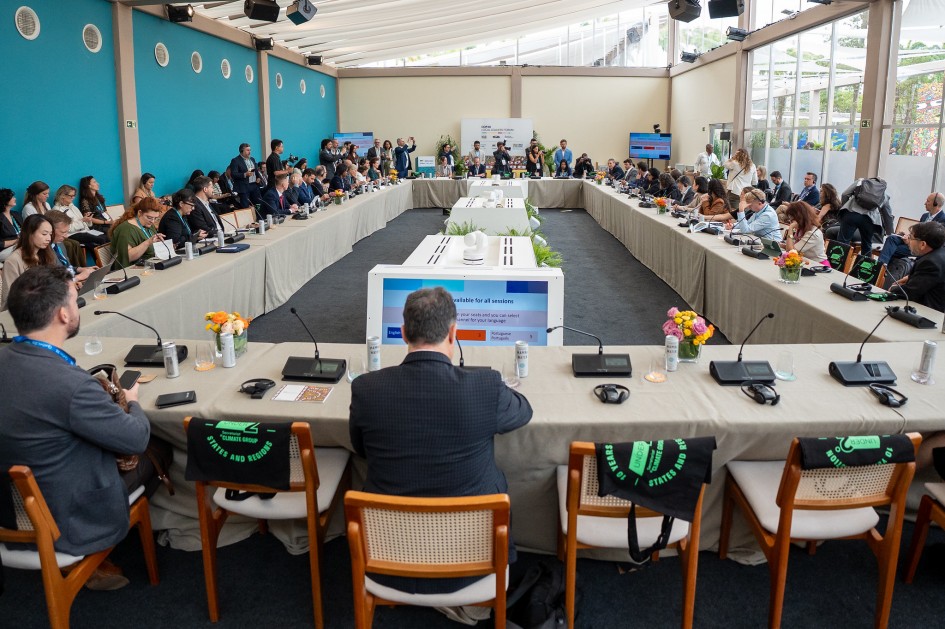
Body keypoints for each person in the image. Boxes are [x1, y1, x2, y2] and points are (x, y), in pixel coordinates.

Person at [349, 286, 532, 601]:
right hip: (474, 563)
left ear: (405, 333)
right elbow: (524, 410)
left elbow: (362, 450)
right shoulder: (485, 387)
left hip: (385, 558)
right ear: (453, 332)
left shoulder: (366, 389)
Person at [0, 265, 150, 589]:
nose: (76, 304)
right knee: (157, 451)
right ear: (63, 315)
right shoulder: (71, 386)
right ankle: (106, 551)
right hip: (64, 517)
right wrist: (133, 401)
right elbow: (136, 438)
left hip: (8, 506)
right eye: (74, 298)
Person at [1, 214, 56, 310]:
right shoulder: (13, 261)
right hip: (24, 313)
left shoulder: (47, 254)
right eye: (44, 234)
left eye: (50, 234)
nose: (48, 238)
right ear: (30, 233)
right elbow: (11, 299)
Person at [877, 192, 945, 267]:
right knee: (892, 238)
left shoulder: (943, 219)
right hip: (912, 241)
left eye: (928, 201)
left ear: (936, 204)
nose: (925, 203)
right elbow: (918, 233)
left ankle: (880, 269)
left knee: (890, 250)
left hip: (921, 247)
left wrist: (910, 242)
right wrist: (908, 236)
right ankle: (881, 268)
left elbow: (933, 242)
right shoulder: (924, 216)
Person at [890, 221, 945, 311]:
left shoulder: (930, 263)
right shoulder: (939, 253)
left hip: (930, 314)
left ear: (922, 244)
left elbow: (910, 292)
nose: (908, 241)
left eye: (911, 237)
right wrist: (911, 277)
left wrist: (893, 288)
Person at [837, 179, 893, 250]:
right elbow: (888, 215)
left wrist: (846, 207)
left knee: (843, 242)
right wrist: (890, 234)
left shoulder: (861, 182)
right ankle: (865, 261)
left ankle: (838, 260)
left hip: (851, 214)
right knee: (867, 244)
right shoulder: (884, 194)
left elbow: (845, 194)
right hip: (869, 220)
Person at [51, 185, 109, 254]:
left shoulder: (73, 207)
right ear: (62, 195)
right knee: (100, 240)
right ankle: (102, 262)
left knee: (107, 238)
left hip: (84, 231)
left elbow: (83, 222)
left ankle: (110, 262)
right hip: (72, 234)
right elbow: (67, 229)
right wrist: (82, 221)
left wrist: (88, 219)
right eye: (71, 196)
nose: (73, 198)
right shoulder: (57, 210)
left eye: (74, 195)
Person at [109, 198, 166, 267]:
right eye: (149, 217)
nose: (153, 221)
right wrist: (148, 242)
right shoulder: (126, 230)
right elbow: (128, 257)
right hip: (130, 270)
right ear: (139, 213)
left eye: (156, 218)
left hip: (149, 264)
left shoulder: (148, 224)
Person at [45, 211, 96, 281]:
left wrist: (80, 269)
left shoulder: (59, 243)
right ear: (50, 230)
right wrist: (78, 278)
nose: (66, 236)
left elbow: (66, 267)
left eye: (67, 232)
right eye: (63, 232)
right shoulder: (43, 252)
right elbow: (53, 282)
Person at [229, 143, 263, 209]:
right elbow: (233, 174)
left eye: (250, 150)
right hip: (244, 186)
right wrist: (245, 174)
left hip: (254, 185)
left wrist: (258, 177)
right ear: (242, 151)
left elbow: (256, 170)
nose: (249, 152)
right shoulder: (235, 160)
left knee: (259, 203)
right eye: (247, 150)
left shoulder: (252, 159)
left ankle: (259, 217)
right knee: (246, 206)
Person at [1, 188, 21, 262]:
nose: (15, 199)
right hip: (5, 249)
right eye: (12, 197)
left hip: (19, 245)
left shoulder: (15, 214)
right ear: (5, 201)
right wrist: (16, 241)